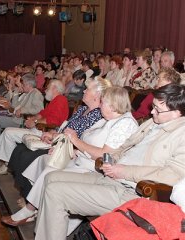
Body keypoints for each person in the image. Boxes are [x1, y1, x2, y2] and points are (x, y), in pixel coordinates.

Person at [34, 83, 185, 240]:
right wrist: (110, 160)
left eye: (158, 110)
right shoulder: (153, 123)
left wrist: (123, 170)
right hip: (111, 177)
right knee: (51, 178)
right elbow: (124, 148)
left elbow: (174, 175)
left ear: (177, 113)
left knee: (56, 192)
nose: (152, 112)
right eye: (153, 106)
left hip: (133, 192)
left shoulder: (181, 134)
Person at [2, 87, 138, 230]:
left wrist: (76, 143)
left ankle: (31, 210)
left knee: (50, 172)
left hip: (94, 168)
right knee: (43, 162)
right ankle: (36, 208)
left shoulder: (124, 123)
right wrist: (74, 149)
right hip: (82, 160)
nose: (100, 105)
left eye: (103, 102)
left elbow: (104, 155)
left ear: (112, 105)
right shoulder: (107, 119)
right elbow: (86, 140)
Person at [8, 76, 110, 202]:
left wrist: (56, 137)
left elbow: (80, 136)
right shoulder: (83, 109)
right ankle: (27, 194)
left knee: (27, 155)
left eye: (87, 89)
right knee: (21, 149)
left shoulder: (98, 115)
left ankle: (31, 199)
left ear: (97, 94)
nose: (83, 91)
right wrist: (53, 134)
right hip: (59, 140)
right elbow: (66, 127)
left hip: (68, 148)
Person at [0, 80, 69, 175]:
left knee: (8, 133)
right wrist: (33, 119)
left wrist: (34, 122)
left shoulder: (60, 100)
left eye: (48, 88)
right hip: (40, 128)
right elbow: (41, 114)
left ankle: (5, 164)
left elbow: (53, 121)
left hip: (46, 132)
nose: (46, 90)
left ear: (55, 88)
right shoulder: (55, 100)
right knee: (8, 132)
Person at [0, 74, 44, 146]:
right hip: (15, 117)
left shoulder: (36, 94)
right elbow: (14, 106)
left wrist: (23, 110)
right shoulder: (26, 93)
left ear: (28, 85)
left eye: (23, 84)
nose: (21, 86)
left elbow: (39, 109)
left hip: (21, 120)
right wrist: (16, 92)